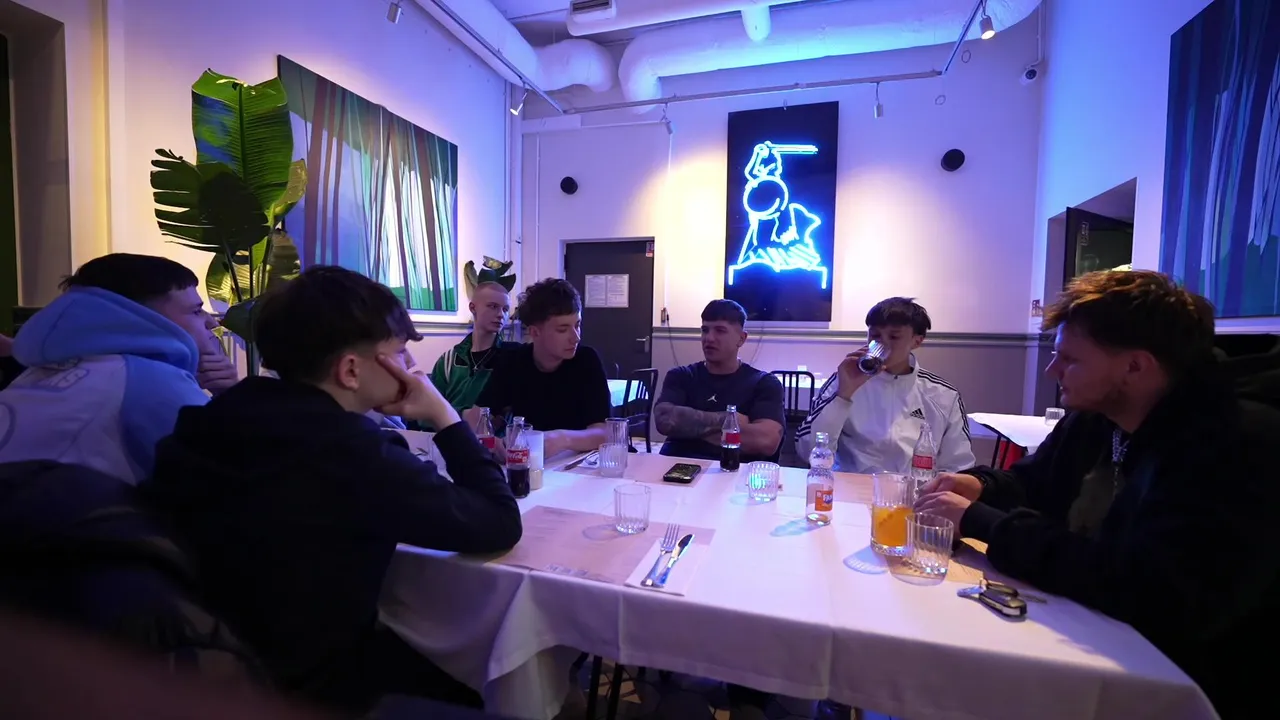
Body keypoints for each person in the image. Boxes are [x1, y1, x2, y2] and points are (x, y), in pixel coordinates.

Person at [143, 265, 523, 716]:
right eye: (399, 353)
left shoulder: (207, 420)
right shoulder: (355, 454)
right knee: (474, 688)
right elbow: (499, 522)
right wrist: (445, 416)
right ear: (350, 370)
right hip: (314, 686)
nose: (411, 369)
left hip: (196, 668)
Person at [914, 271, 1280, 718]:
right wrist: (982, 485)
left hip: (1185, 685)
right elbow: (1033, 483)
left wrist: (980, 520)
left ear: (1135, 367)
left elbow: (1149, 592)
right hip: (1095, 639)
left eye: (1069, 359)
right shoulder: (1098, 413)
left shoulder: (1237, 442)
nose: (1052, 371)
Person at [0, 254, 234, 484]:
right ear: (141, 318)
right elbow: (228, 477)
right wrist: (232, 397)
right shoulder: (150, 381)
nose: (211, 322)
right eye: (196, 311)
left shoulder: (36, 373)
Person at [795, 297, 974, 473]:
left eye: (894, 337)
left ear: (917, 341)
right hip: (851, 485)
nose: (883, 343)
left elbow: (958, 466)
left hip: (914, 488)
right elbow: (808, 452)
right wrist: (843, 395)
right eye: (875, 335)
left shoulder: (943, 394)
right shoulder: (843, 380)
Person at [472, 278, 611, 458]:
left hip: (579, 463)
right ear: (535, 332)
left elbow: (604, 432)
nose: (575, 337)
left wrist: (562, 439)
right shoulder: (514, 361)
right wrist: (491, 440)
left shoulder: (586, 360)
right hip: (532, 462)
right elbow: (477, 415)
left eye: (577, 325)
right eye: (562, 329)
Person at [653, 299, 784, 462]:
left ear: (741, 339)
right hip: (678, 467)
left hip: (732, 470)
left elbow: (766, 441)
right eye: (705, 330)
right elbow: (663, 420)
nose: (709, 338)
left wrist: (690, 427)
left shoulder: (764, 383)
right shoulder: (681, 376)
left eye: (720, 331)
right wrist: (729, 420)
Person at [429, 281, 514, 412]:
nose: (500, 314)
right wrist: (462, 415)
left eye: (505, 309)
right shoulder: (448, 361)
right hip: (452, 425)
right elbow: (430, 410)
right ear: (473, 308)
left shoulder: (511, 358)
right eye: (493, 306)